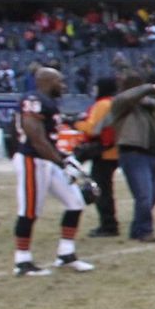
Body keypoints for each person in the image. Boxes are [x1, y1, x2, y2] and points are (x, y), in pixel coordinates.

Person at [10, 64, 96, 276]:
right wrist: (62, 162)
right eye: (60, 81)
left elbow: (48, 139)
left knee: (75, 202)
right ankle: (22, 261)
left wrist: (65, 159)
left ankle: (66, 254)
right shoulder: (34, 100)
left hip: (47, 160)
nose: (63, 85)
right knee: (29, 211)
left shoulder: (49, 103)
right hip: (33, 160)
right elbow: (36, 137)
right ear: (47, 81)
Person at [106, 80, 155, 241]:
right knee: (144, 195)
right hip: (134, 153)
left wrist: (150, 101)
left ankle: (138, 229)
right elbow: (126, 98)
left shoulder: (148, 108)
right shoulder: (121, 105)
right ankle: (144, 230)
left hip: (152, 154)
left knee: (152, 196)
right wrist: (150, 89)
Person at [74, 75, 122, 237]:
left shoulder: (102, 104)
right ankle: (109, 223)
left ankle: (108, 224)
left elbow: (93, 128)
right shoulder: (113, 102)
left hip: (104, 152)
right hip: (113, 151)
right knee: (106, 188)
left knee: (102, 190)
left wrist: (77, 123)